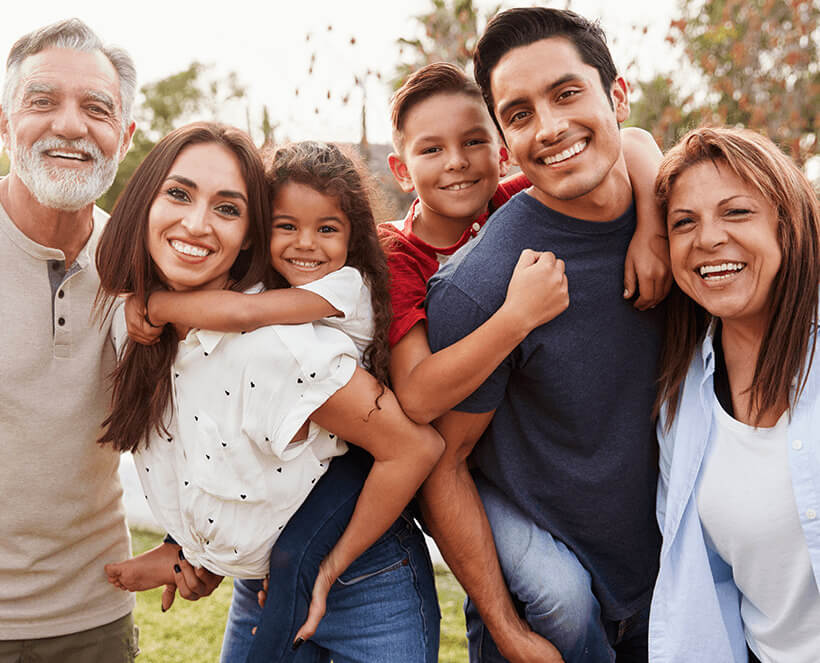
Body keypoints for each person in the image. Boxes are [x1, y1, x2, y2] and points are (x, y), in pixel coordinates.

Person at [96, 130, 444, 663]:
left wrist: (324, 570)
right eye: (179, 194)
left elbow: (414, 447)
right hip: (259, 575)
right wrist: (202, 554)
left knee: (294, 567)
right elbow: (225, 461)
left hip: (364, 580)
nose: (196, 223)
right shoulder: (141, 324)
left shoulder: (282, 344)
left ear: (247, 234)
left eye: (227, 208)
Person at [422, 8, 667, 662]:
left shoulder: (683, 225)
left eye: (566, 93)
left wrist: (657, 224)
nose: (551, 127)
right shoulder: (483, 287)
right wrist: (507, 627)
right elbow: (443, 465)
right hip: (552, 627)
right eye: (521, 113)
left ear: (616, 94)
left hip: (676, 599)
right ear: (504, 140)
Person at [382, 61, 669, 425]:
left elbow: (631, 139)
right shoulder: (396, 253)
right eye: (431, 150)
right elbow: (416, 397)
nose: (456, 162)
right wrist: (518, 316)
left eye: (473, 141)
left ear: (504, 155)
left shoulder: (512, 203)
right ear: (402, 172)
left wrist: (653, 232)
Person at [650, 127, 820, 663]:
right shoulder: (682, 405)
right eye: (684, 223)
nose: (708, 239)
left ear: (787, 225)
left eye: (737, 213)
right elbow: (709, 587)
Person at [0, 18, 139, 662]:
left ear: (125, 137)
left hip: (93, 618)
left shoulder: (145, 266)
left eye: (97, 109)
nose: (71, 125)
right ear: (4, 124)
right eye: (42, 101)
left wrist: (201, 543)